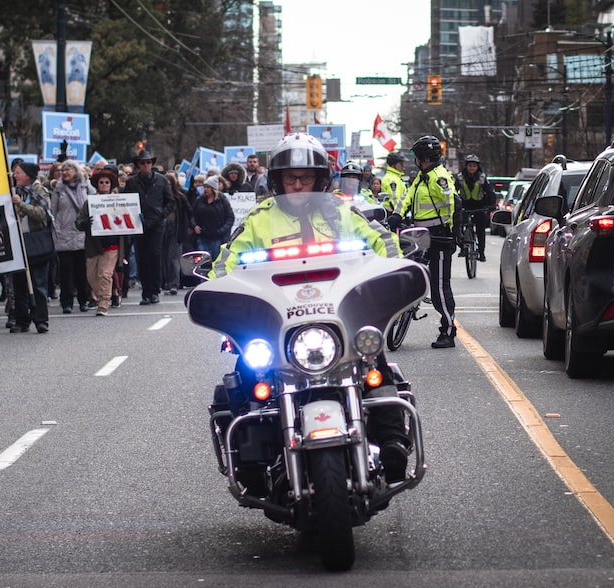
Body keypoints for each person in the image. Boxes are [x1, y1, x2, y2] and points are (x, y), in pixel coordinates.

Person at [211, 132, 408, 483]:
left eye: (306, 177)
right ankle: (250, 460)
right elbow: (226, 263)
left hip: (338, 319)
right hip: (278, 323)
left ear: (321, 179)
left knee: (373, 357)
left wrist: (393, 272)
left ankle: (393, 440)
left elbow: (383, 244)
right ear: (278, 181)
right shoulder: (259, 219)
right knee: (245, 367)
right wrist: (217, 289)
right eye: (290, 177)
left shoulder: (344, 212)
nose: (299, 184)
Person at [391, 135, 457, 349]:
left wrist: (454, 235)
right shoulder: (422, 176)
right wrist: (397, 215)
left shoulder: (440, 177)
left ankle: (447, 331)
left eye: (417, 157)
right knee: (406, 271)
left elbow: (453, 204)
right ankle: (407, 305)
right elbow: (406, 198)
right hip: (420, 233)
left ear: (423, 158)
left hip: (439, 236)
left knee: (439, 288)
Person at [122, 148, 174, 305]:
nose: (145, 165)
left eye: (148, 162)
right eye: (143, 163)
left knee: (154, 255)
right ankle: (146, 291)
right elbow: (126, 201)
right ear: (138, 165)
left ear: (152, 164)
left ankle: (155, 290)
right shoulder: (132, 182)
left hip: (157, 224)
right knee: (142, 258)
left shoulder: (161, 180)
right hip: (139, 224)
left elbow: (170, 200)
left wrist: (161, 214)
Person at [10, 162, 52, 333]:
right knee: (19, 283)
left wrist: (21, 205)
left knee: (38, 283)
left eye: (18, 172)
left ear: (27, 175)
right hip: (18, 242)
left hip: (36, 242)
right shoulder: (13, 192)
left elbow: (41, 214)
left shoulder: (39, 191)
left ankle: (41, 319)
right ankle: (22, 320)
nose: (15, 175)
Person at [76, 165, 122, 315]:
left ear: (111, 185)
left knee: (105, 274)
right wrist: (84, 224)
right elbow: (78, 221)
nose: (104, 185)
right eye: (101, 182)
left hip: (111, 244)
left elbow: (128, 218)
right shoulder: (90, 202)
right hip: (93, 245)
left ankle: (104, 303)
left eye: (107, 182)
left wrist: (136, 220)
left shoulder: (119, 201)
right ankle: (103, 295)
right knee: (91, 275)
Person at [49, 159, 93, 313]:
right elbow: (53, 212)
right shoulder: (58, 189)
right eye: (63, 170)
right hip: (64, 233)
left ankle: (83, 300)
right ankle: (66, 302)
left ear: (76, 172)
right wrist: (55, 230)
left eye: (68, 169)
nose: (65, 173)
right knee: (66, 271)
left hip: (82, 232)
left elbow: (95, 203)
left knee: (82, 270)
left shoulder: (85, 186)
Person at [454, 153, 495, 262]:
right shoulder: (460, 177)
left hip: (479, 207)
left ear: (477, 167)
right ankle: (463, 248)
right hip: (464, 206)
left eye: (474, 166)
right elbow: (453, 191)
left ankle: (481, 253)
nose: (472, 168)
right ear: (466, 166)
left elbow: (490, 192)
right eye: (470, 166)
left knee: (480, 230)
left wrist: (491, 205)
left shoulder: (482, 178)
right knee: (459, 226)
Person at [190, 175, 234, 261]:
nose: (205, 189)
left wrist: (221, 230)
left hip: (216, 237)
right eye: (204, 187)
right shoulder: (200, 200)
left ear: (213, 189)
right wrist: (194, 225)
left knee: (215, 261)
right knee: (203, 262)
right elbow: (192, 215)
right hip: (202, 236)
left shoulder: (222, 200)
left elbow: (230, 217)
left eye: (208, 187)